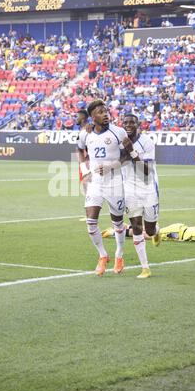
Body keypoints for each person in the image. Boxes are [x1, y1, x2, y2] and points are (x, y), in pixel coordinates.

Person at [77, 99, 127, 277]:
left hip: (114, 183)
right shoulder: (86, 133)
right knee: (91, 222)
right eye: (100, 112)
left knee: (118, 223)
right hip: (96, 183)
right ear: (92, 117)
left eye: (106, 111)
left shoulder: (118, 132)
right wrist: (85, 172)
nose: (105, 114)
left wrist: (111, 166)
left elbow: (127, 155)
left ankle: (119, 254)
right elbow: (79, 151)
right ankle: (102, 255)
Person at [121, 112, 160, 279]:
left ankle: (157, 230)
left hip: (148, 188)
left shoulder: (147, 142)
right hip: (129, 190)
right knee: (136, 227)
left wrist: (131, 151)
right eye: (126, 123)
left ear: (138, 125)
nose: (128, 125)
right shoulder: (119, 141)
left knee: (149, 231)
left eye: (132, 123)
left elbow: (146, 171)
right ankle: (145, 268)